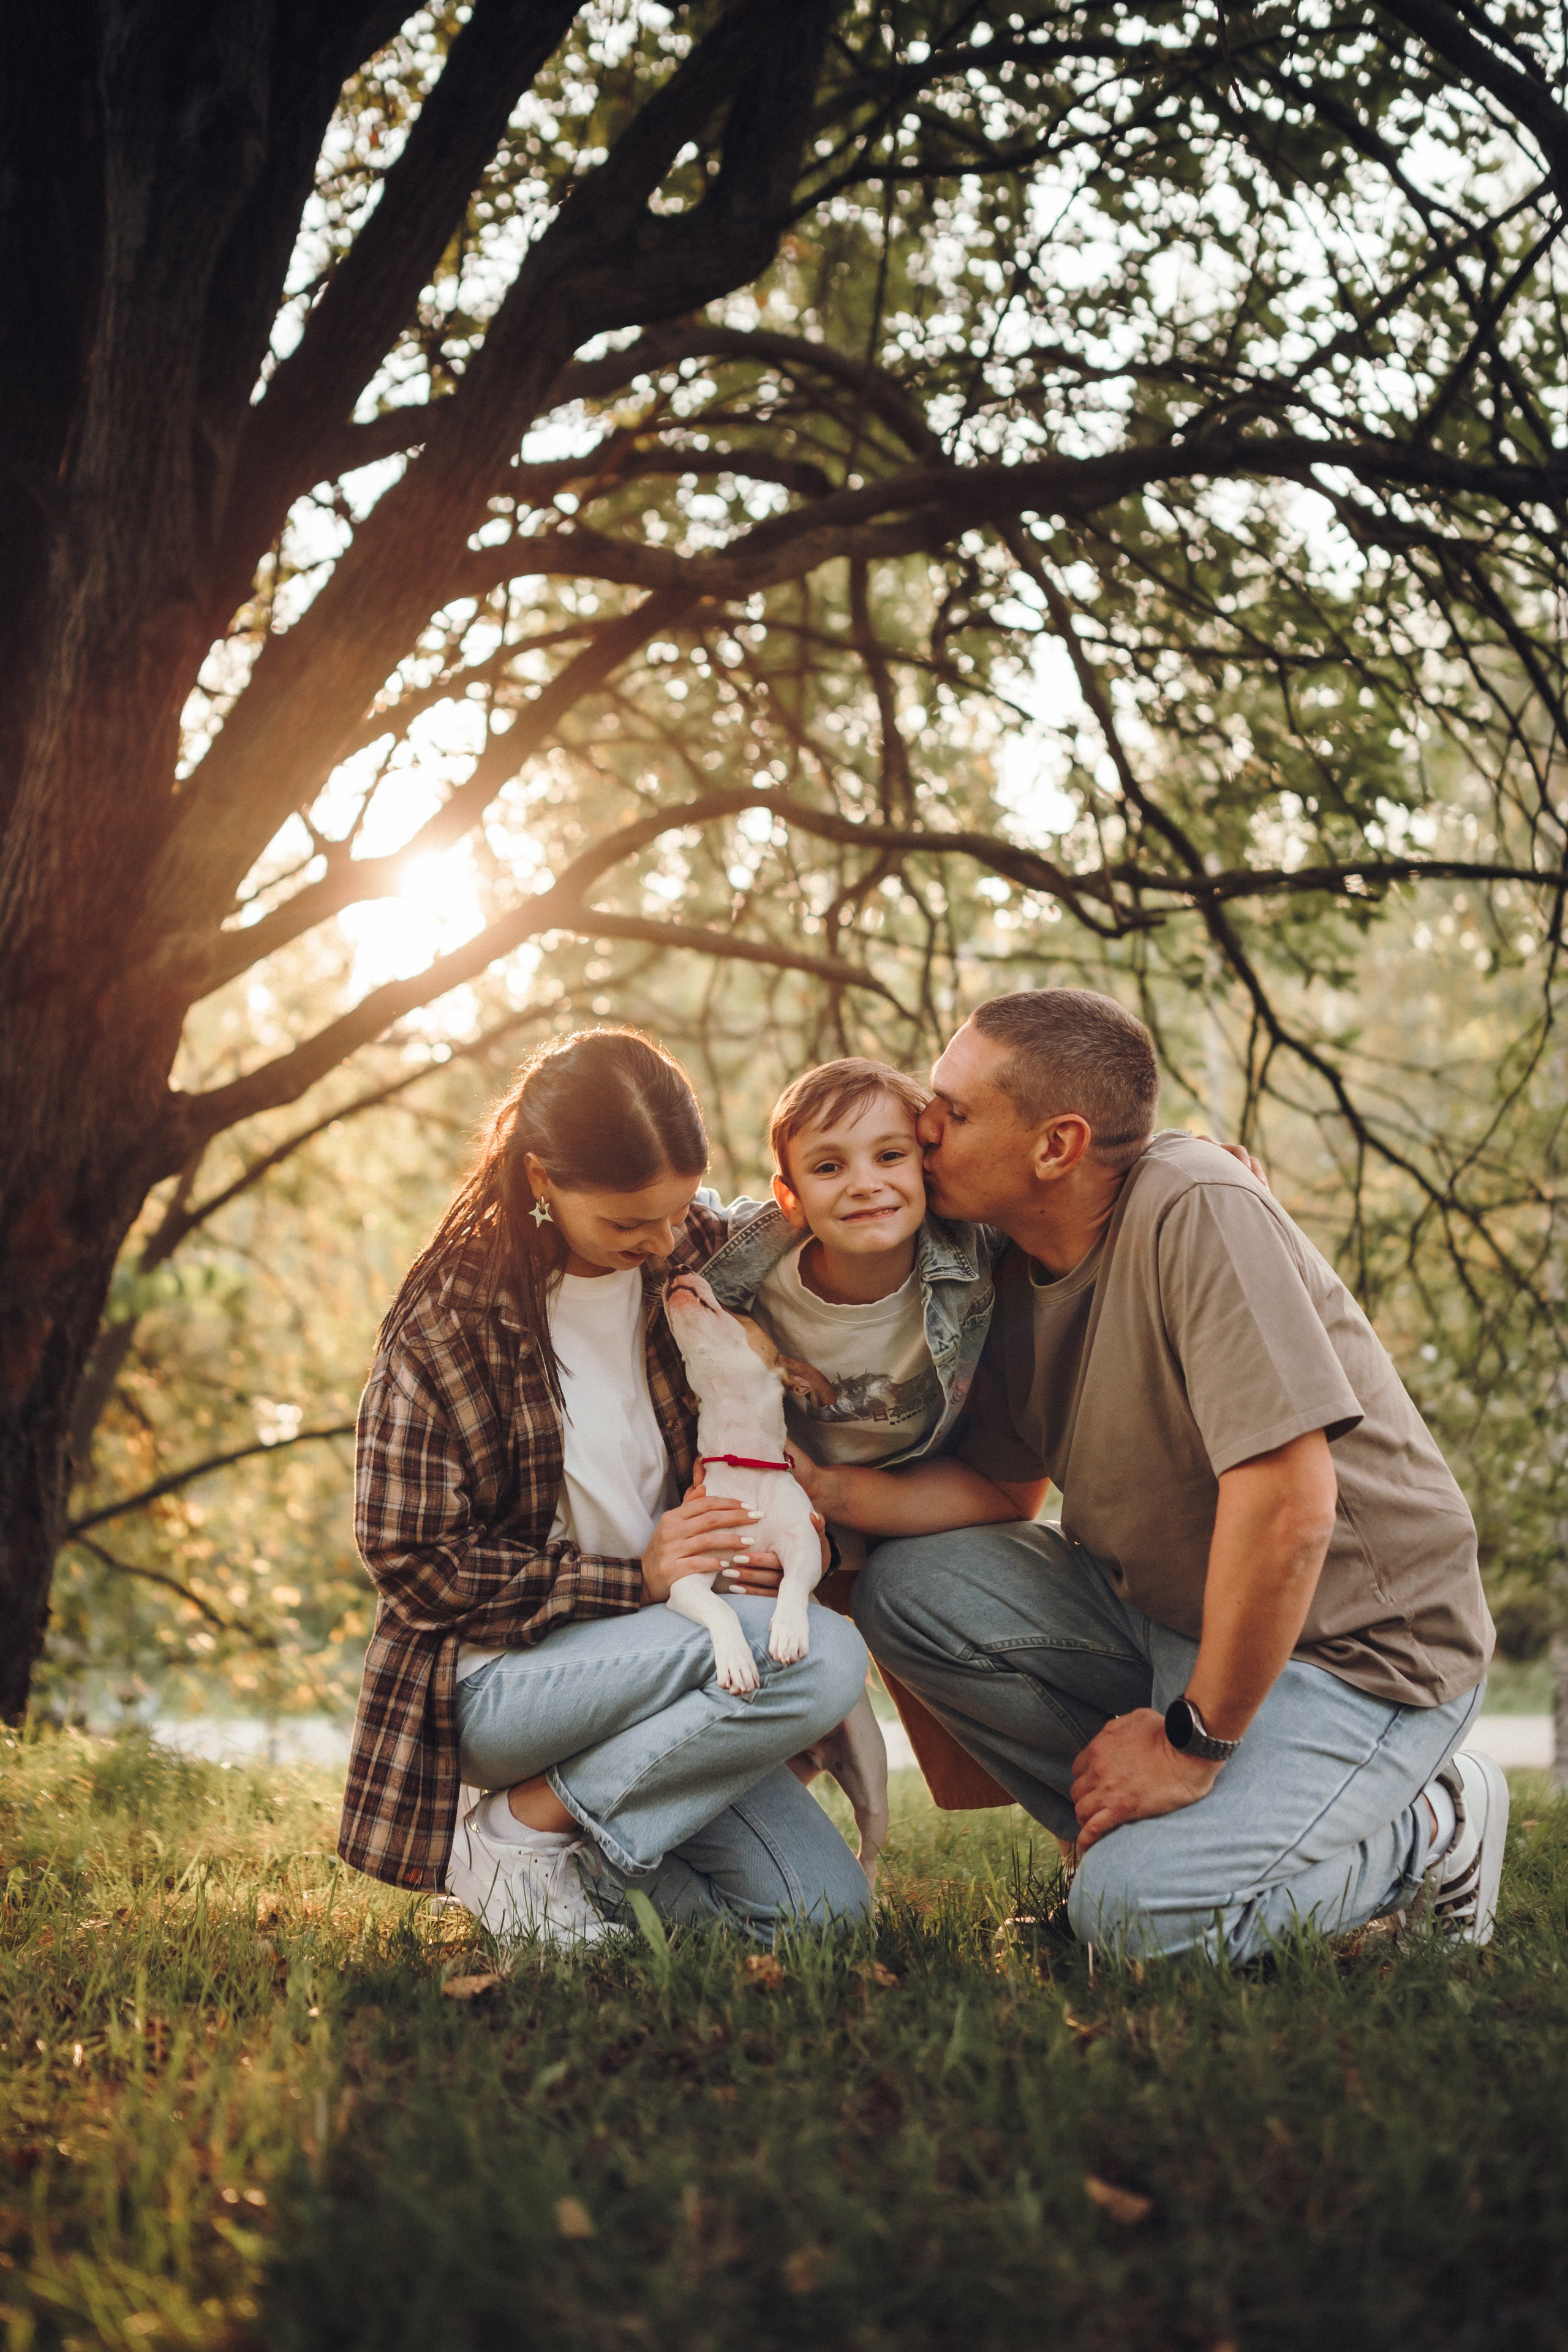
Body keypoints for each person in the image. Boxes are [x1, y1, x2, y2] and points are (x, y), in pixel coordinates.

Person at [844, 989, 1504, 1961]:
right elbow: (1003, 1495)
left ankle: (1436, 1825)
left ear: (1057, 1146)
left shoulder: (1197, 1205)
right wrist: (820, 1491)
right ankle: (1142, 1843)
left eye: (956, 1108)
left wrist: (1194, 1743)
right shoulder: (1006, 1265)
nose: (922, 1124)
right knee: (908, 1589)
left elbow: (1290, 1507)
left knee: (1135, 1922)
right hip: (1172, 1624)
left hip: (1359, 1650)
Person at [336, 1028, 872, 1947]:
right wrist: (637, 1578)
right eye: (629, 1224)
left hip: (673, 1661)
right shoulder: (449, 1326)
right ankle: (518, 1829)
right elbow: (413, 1560)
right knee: (820, 1657)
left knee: (820, 1920)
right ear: (542, 1180)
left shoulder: (695, 1252)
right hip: (502, 1682)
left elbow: (848, 1213)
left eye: (677, 1210)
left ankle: (558, 1868)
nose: (662, 1242)